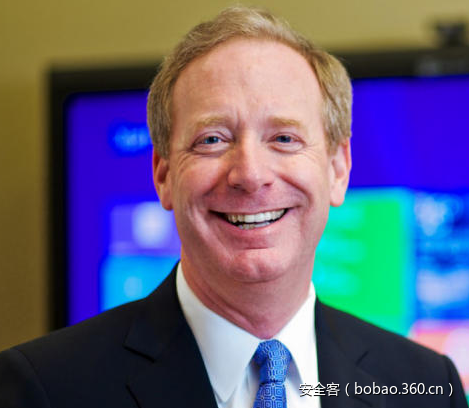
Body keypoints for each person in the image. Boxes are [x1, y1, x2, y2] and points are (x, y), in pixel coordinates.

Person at [0, 5, 467, 408]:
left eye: (284, 138)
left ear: (338, 169)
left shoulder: (427, 385)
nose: (250, 174)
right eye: (212, 139)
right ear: (163, 174)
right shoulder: (43, 389)